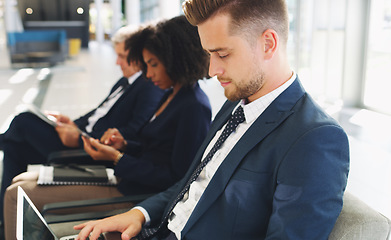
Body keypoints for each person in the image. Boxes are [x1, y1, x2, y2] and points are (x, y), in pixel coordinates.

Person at [74, 0, 350, 240]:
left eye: (223, 54)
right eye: (208, 54)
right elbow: (191, 183)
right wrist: (140, 214)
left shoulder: (314, 138)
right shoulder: (234, 105)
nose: (212, 69)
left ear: (268, 44)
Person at [4, 15, 212, 240]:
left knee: (16, 193)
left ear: (176, 59)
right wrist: (124, 145)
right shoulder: (172, 95)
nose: (148, 74)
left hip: (136, 193)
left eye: (153, 64)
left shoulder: (193, 107)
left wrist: (118, 158)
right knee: (19, 182)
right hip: (125, 179)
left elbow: (177, 178)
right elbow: (152, 148)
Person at [0, 25, 165, 224]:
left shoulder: (148, 88)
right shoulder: (125, 82)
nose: (117, 62)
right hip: (80, 136)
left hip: (87, 148)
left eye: (122, 56)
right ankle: (4, 218)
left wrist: (78, 137)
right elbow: (98, 113)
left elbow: (132, 133)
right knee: (13, 147)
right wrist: (72, 123)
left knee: (23, 120)